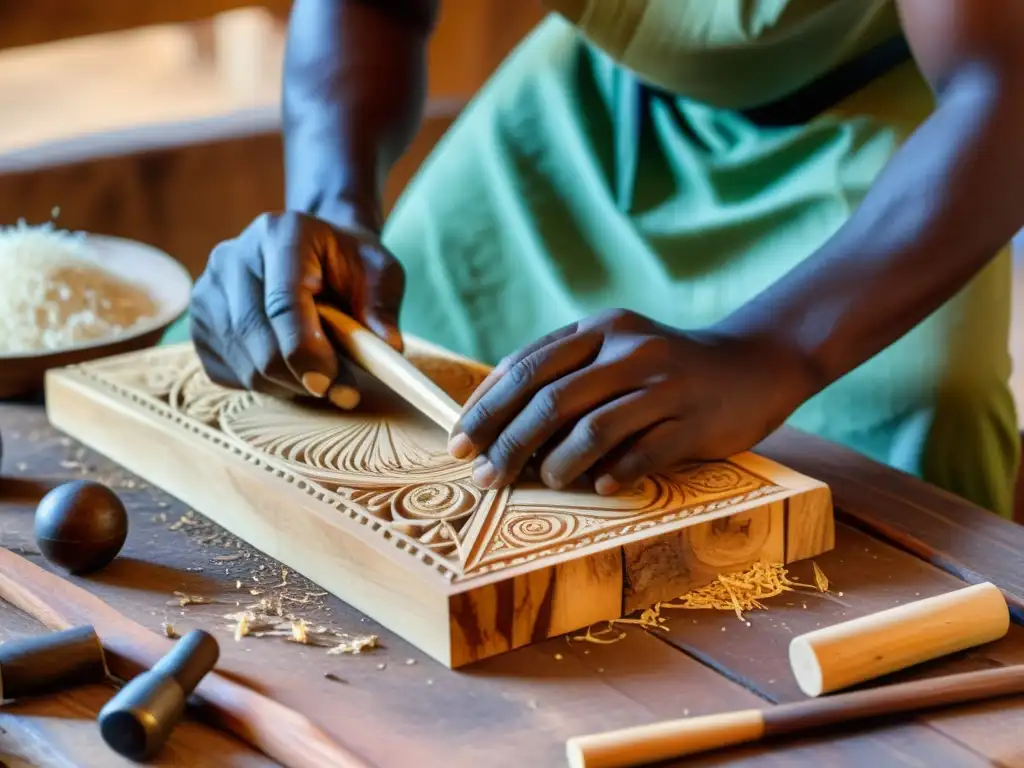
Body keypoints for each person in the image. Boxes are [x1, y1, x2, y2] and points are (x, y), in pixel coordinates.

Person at [175, 0, 1024, 519]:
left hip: (906, 145)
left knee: (894, 448)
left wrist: (771, 354)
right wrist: (332, 209)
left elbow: (1003, 85)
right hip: (601, 103)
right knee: (369, 363)